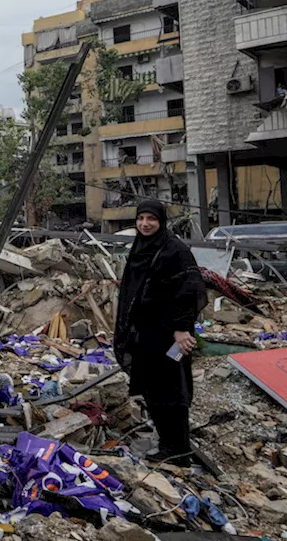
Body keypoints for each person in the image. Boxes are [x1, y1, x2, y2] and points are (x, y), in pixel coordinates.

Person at [114, 199, 207, 466]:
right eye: (141, 218)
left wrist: (181, 329)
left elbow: (188, 290)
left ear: (161, 221)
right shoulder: (140, 247)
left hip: (170, 336)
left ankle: (179, 450)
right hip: (145, 334)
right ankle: (167, 444)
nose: (145, 224)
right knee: (152, 390)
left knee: (172, 391)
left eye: (151, 219)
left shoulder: (175, 250)